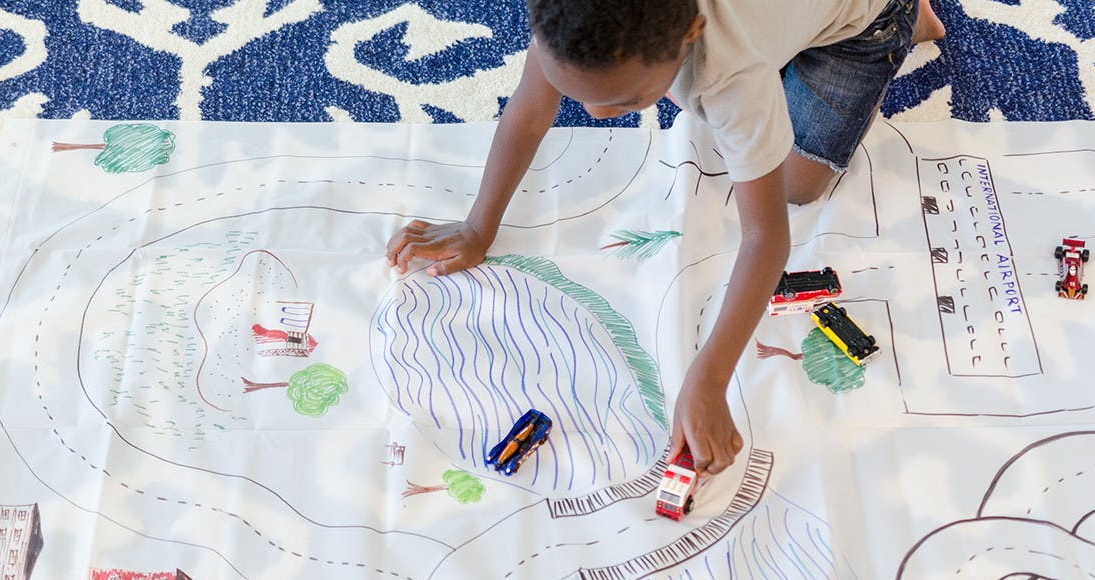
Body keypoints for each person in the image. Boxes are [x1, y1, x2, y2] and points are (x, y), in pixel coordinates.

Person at [385, 0, 944, 476]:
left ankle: (910, 20)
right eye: (571, 89)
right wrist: (479, 226)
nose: (598, 114)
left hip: (864, 23)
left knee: (797, 183)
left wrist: (709, 377)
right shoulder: (570, 20)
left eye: (625, 101)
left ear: (691, 32)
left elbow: (766, 238)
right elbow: (530, 112)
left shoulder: (732, 78)